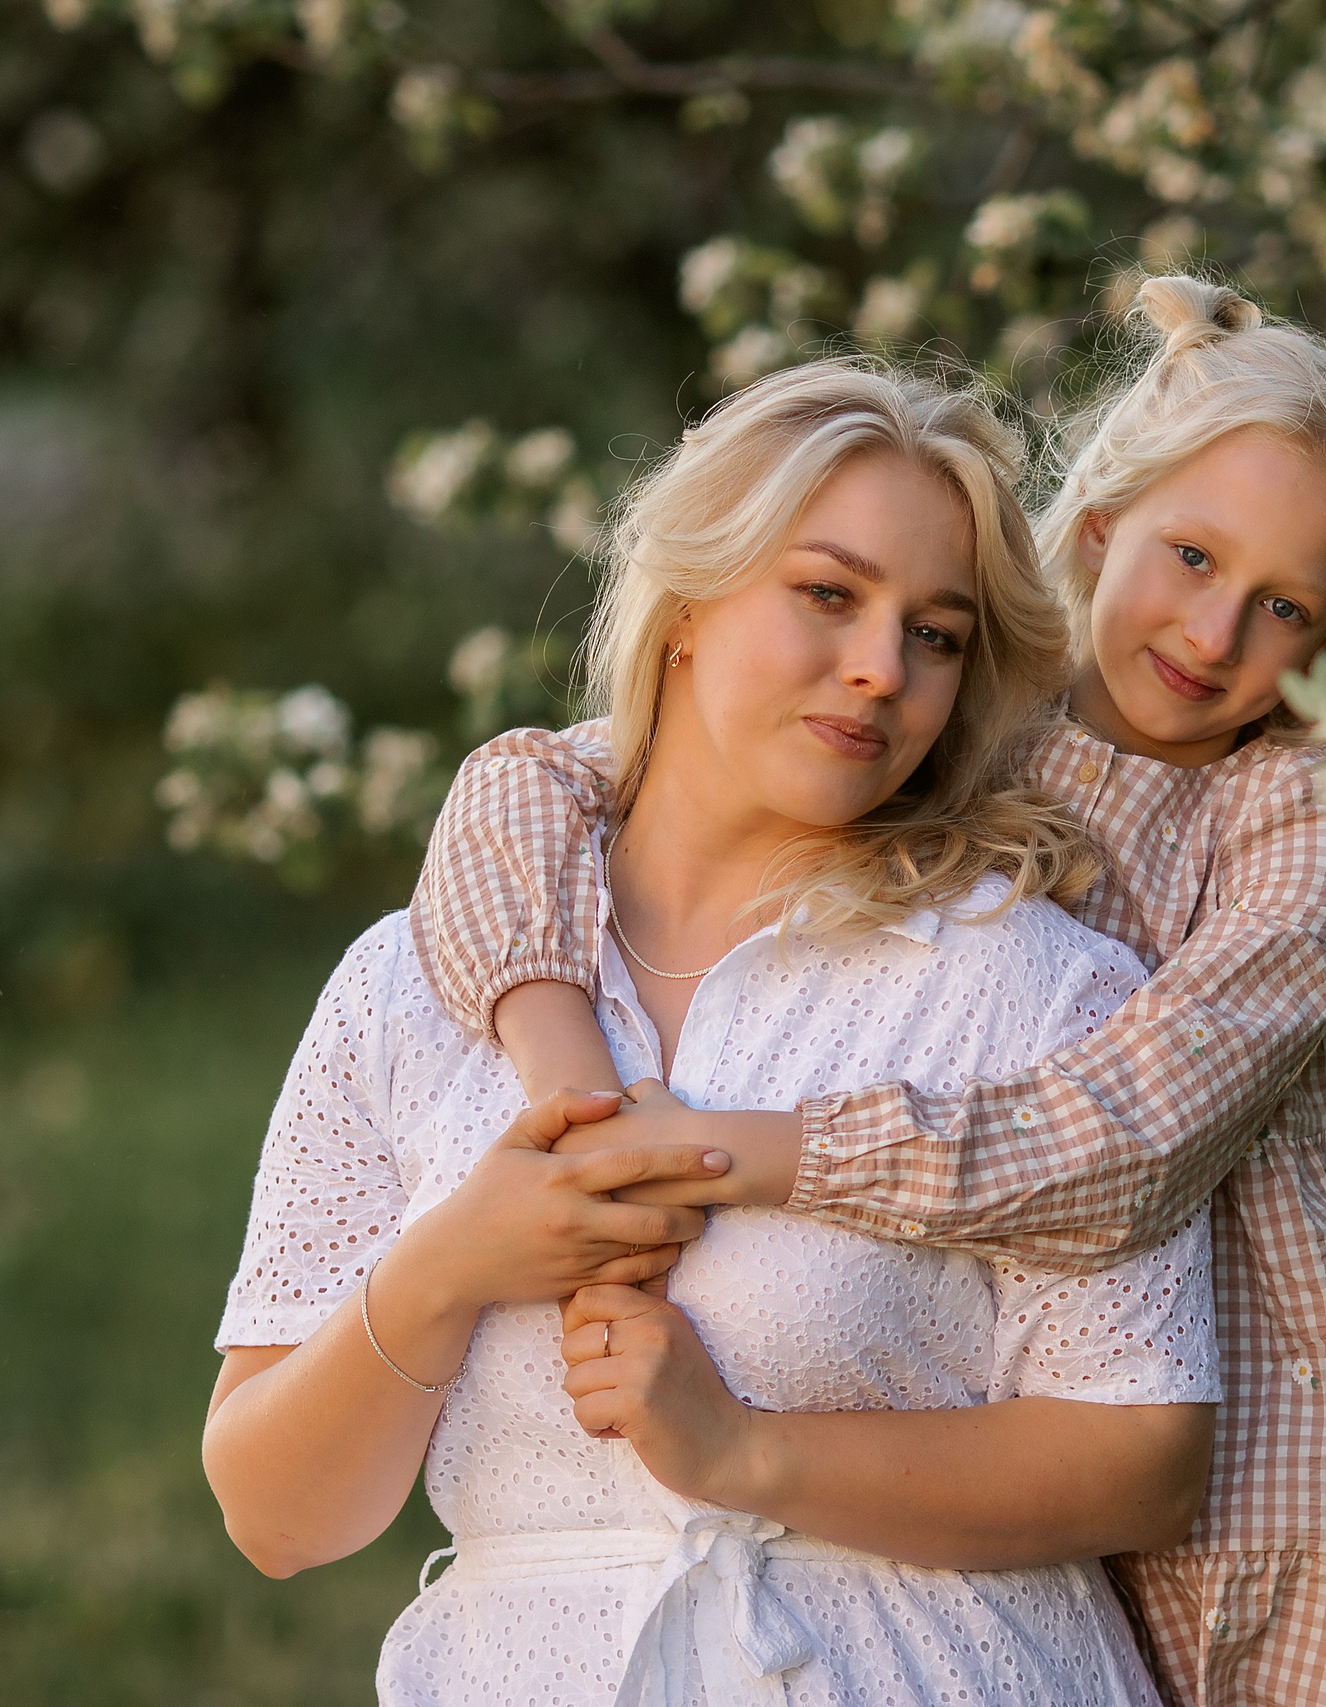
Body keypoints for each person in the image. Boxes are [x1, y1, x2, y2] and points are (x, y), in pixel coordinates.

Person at [408, 277, 1326, 1703]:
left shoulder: (1293, 815)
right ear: (1097, 531)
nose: (1213, 637)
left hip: (1267, 1415)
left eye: (1283, 608)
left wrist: (744, 1154)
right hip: (992, 1356)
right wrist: (574, 1095)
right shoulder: (971, 697)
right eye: (1190, 558)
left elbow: (1130, 1139)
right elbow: (532, 779)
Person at [204, 359, 1222, 1706]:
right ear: (686, 604)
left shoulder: (1029, 989)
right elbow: (278, 1520)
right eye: (828, 593)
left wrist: (746, 1451)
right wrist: (451, 1264)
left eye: (937, 633)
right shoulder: (408, 987)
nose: (879, 670)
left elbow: (1141, 1460)